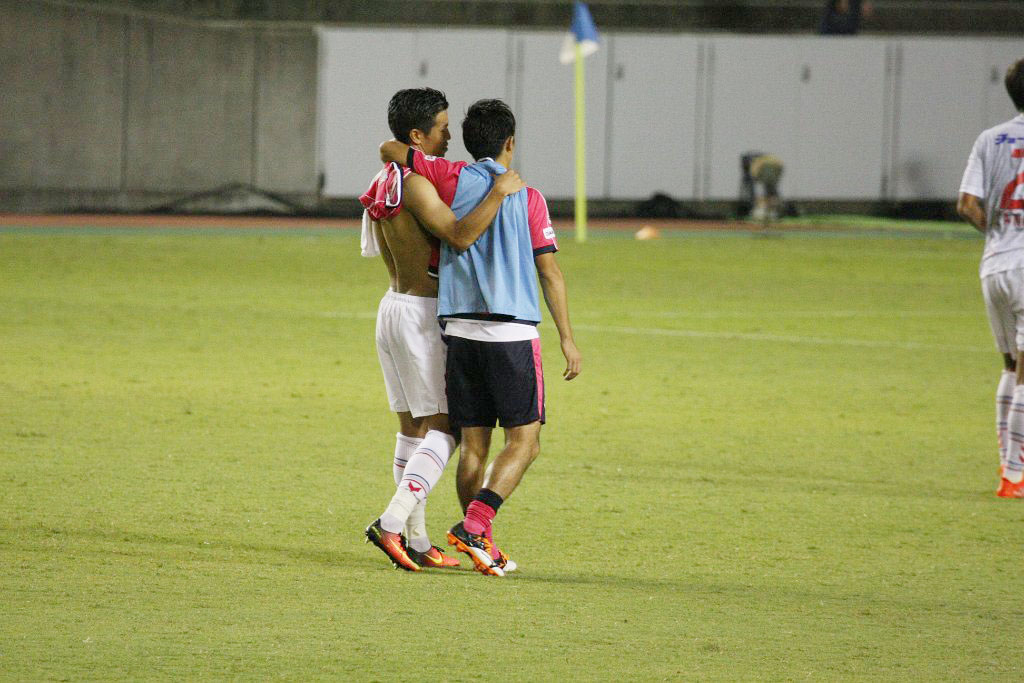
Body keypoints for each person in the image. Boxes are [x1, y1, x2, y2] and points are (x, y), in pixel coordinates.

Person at [381, 99, 582, 576]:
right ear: (510, 142)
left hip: (459, 332)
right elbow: (550, 272)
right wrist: (567, 339)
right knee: (525, 442)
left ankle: (479, 544)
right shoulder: (528, 197)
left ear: (469, 143)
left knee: (473, 445)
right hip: (511, 332)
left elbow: (392, 149)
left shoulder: (449, 179)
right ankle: (475, 525)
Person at [360, 88, 526, 570]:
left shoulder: (383, 179)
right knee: (448, 428)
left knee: (412, 430)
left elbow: (377, 247)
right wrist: (497, 193)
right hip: (422, 312)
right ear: (417, 135)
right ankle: (392, 522)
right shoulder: (416, 184)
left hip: (392, 307)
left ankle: (416, 540)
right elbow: (457, 234)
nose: (450, 136)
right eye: (442, 128)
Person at [957, 58, 1024, 498]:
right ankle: (1015, 475)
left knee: (1010, 365)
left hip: (995, 263)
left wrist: (999, 234)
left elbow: (967, 204)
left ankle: (1007, 464)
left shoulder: (989, 138)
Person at [739, 152, 784, 222]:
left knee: (769, 192)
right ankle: (770, 212)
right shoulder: (766, 162)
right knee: (770, 191)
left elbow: (755, 177)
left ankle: (769, 212)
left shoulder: (758, 165)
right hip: (773, 167)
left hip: (769, 168)